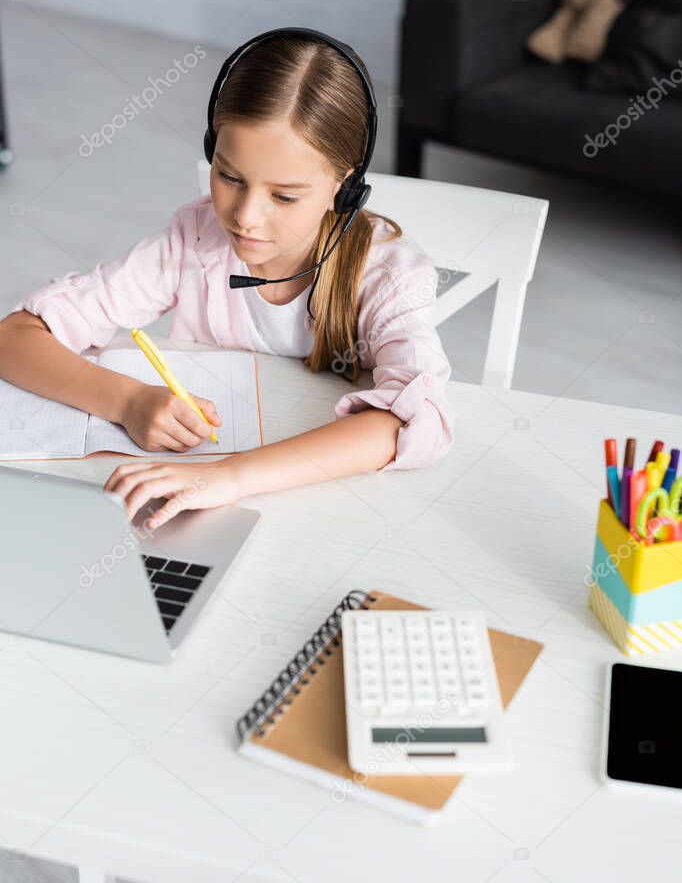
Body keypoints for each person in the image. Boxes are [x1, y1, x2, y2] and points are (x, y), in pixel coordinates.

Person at [0, 30, 454, 528]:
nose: (245, 217)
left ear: (344, 188)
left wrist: (228, 476)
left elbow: (412, 421)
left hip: (324, 509)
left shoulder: (387, 277)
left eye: (284, 196)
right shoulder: (195, 240)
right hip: (203, 507)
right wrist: (128, 400)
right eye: (230, 177)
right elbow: (13, 339)